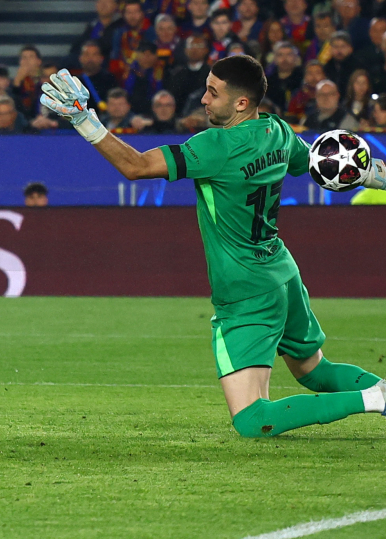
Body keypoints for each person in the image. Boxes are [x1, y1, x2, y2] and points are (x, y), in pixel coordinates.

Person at [42, 55, 386, 438]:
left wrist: (84, 121)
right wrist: (376, 174)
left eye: (212, 92)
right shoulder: (278, 131)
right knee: (316, 371)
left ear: (241, 103)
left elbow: (136, 166)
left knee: (253, 420)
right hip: (282, 273)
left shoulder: (215, 146)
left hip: (245, 289)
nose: (203, 99)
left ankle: (375, 399)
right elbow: (326, 163)